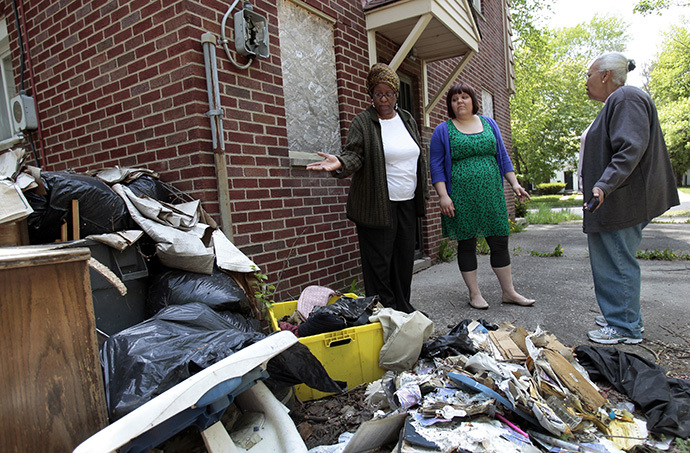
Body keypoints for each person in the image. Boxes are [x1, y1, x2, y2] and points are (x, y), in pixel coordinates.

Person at [306, 63, 428, 313]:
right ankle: (384, 311)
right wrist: (340, 162)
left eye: (389, 93)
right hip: (376, 205)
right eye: (378, 93)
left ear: (396, 94)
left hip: (407, 201)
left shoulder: (407, 119)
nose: (384, 99)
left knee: (403, 261)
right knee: (379, 264)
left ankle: (403, 308)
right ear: (370, 95)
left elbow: (416, 153)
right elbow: (354, 154)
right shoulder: (363, 122)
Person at [580, 52, 678, 344]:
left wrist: (603, 186)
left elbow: (629, 149)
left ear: (605, 75)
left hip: (620, 198)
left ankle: (624, 326)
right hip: (616, 197)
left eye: (589, 74)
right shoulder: (619, 101)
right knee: (613, 256)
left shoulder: (625, 98)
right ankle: (624, 315)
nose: (586, 82)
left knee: (616, 258)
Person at [429, 82, 533, 310]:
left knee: (499, 242)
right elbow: (436, 166)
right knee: (466, 244)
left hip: (491, 196)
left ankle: (509, 292)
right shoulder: (443, 130)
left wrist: (515, 184)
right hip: (461, 198)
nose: (460, 102)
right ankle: (475, 294)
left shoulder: (490, 124)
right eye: (455, 99)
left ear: (473, 101)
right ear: (450, 105)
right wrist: (443, 196)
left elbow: (503, 157)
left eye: (464, 97)